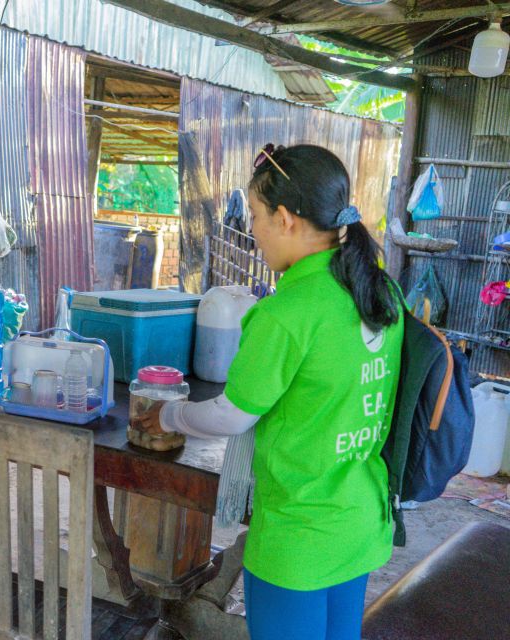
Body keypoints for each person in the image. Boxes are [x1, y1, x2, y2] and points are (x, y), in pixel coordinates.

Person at [132, 144, 404, 640]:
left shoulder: (286, 314)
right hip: (360, 519)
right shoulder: (381, 293)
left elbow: (233, 415)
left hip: (298, 537)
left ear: (286, 218)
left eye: (256, 217)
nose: (252, 233)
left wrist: (168, 416)